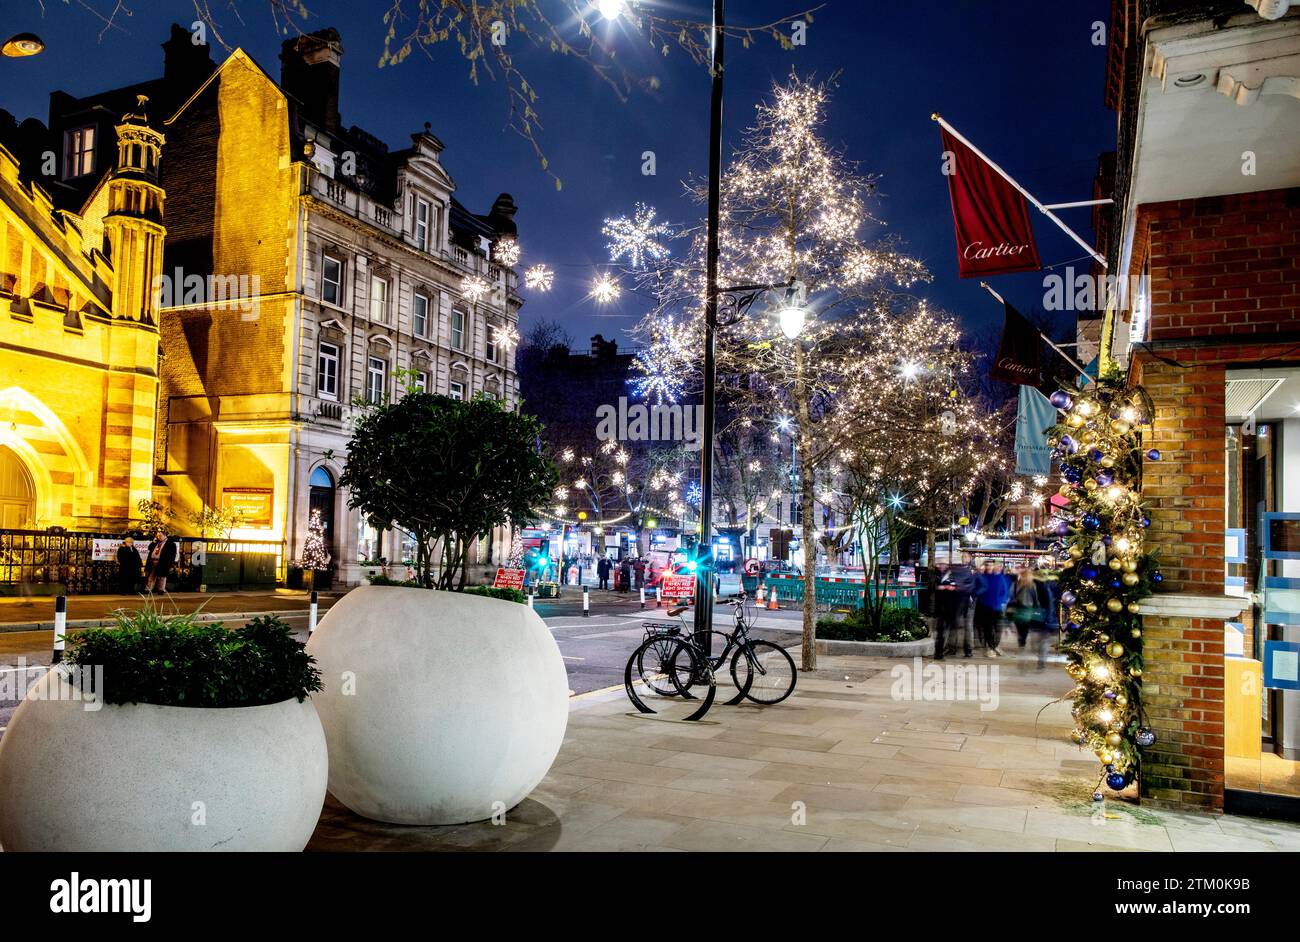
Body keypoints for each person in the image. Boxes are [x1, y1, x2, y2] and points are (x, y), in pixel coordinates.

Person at [1009, 567, 1051, 668]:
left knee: (1021, 637)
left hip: (1018, 613)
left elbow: (1011, 598)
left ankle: (1022, 658)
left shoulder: (1015, 585)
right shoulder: (1033, 585)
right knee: (1033, 636)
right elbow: (1036, 600)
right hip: (1030, 613)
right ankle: (1034, 658)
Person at [932, 562, 972, 660]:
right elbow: (932, 589)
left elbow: (962, 590)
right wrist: (940, 587)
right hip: (941, 609)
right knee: (941, 632)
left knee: (948, 630)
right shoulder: (936, 575)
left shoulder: (956, 577)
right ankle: (939, 653)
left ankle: (951, 650)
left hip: (952, 609)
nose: (941, 566)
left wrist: (952, 588)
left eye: (944, 564)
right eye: (940, 564)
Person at [973, 560, 1011, 656]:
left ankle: (994, 646)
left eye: (991, 565)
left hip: (997, 607)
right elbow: (978, 591)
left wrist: (1001, 602)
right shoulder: (982, 577)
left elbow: (1005, 592)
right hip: (985, 607)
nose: (990, 567)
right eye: (988, 565)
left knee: (998, 628)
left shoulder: (1000, 578)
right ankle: (990, 647)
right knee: (988, 628)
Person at [143, 529, 176, 593]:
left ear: (165, 535)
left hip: (163, 562)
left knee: (162, 576)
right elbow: (149, 548)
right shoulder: (156, 542)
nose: (158, 537)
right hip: (153, 561)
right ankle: (148, 589)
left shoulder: (170, 543)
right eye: (158, 536)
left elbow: (172, 555)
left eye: (160, 536)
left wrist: (170, 564)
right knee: (151, 576)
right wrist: (153, 541)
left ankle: (161, 589)